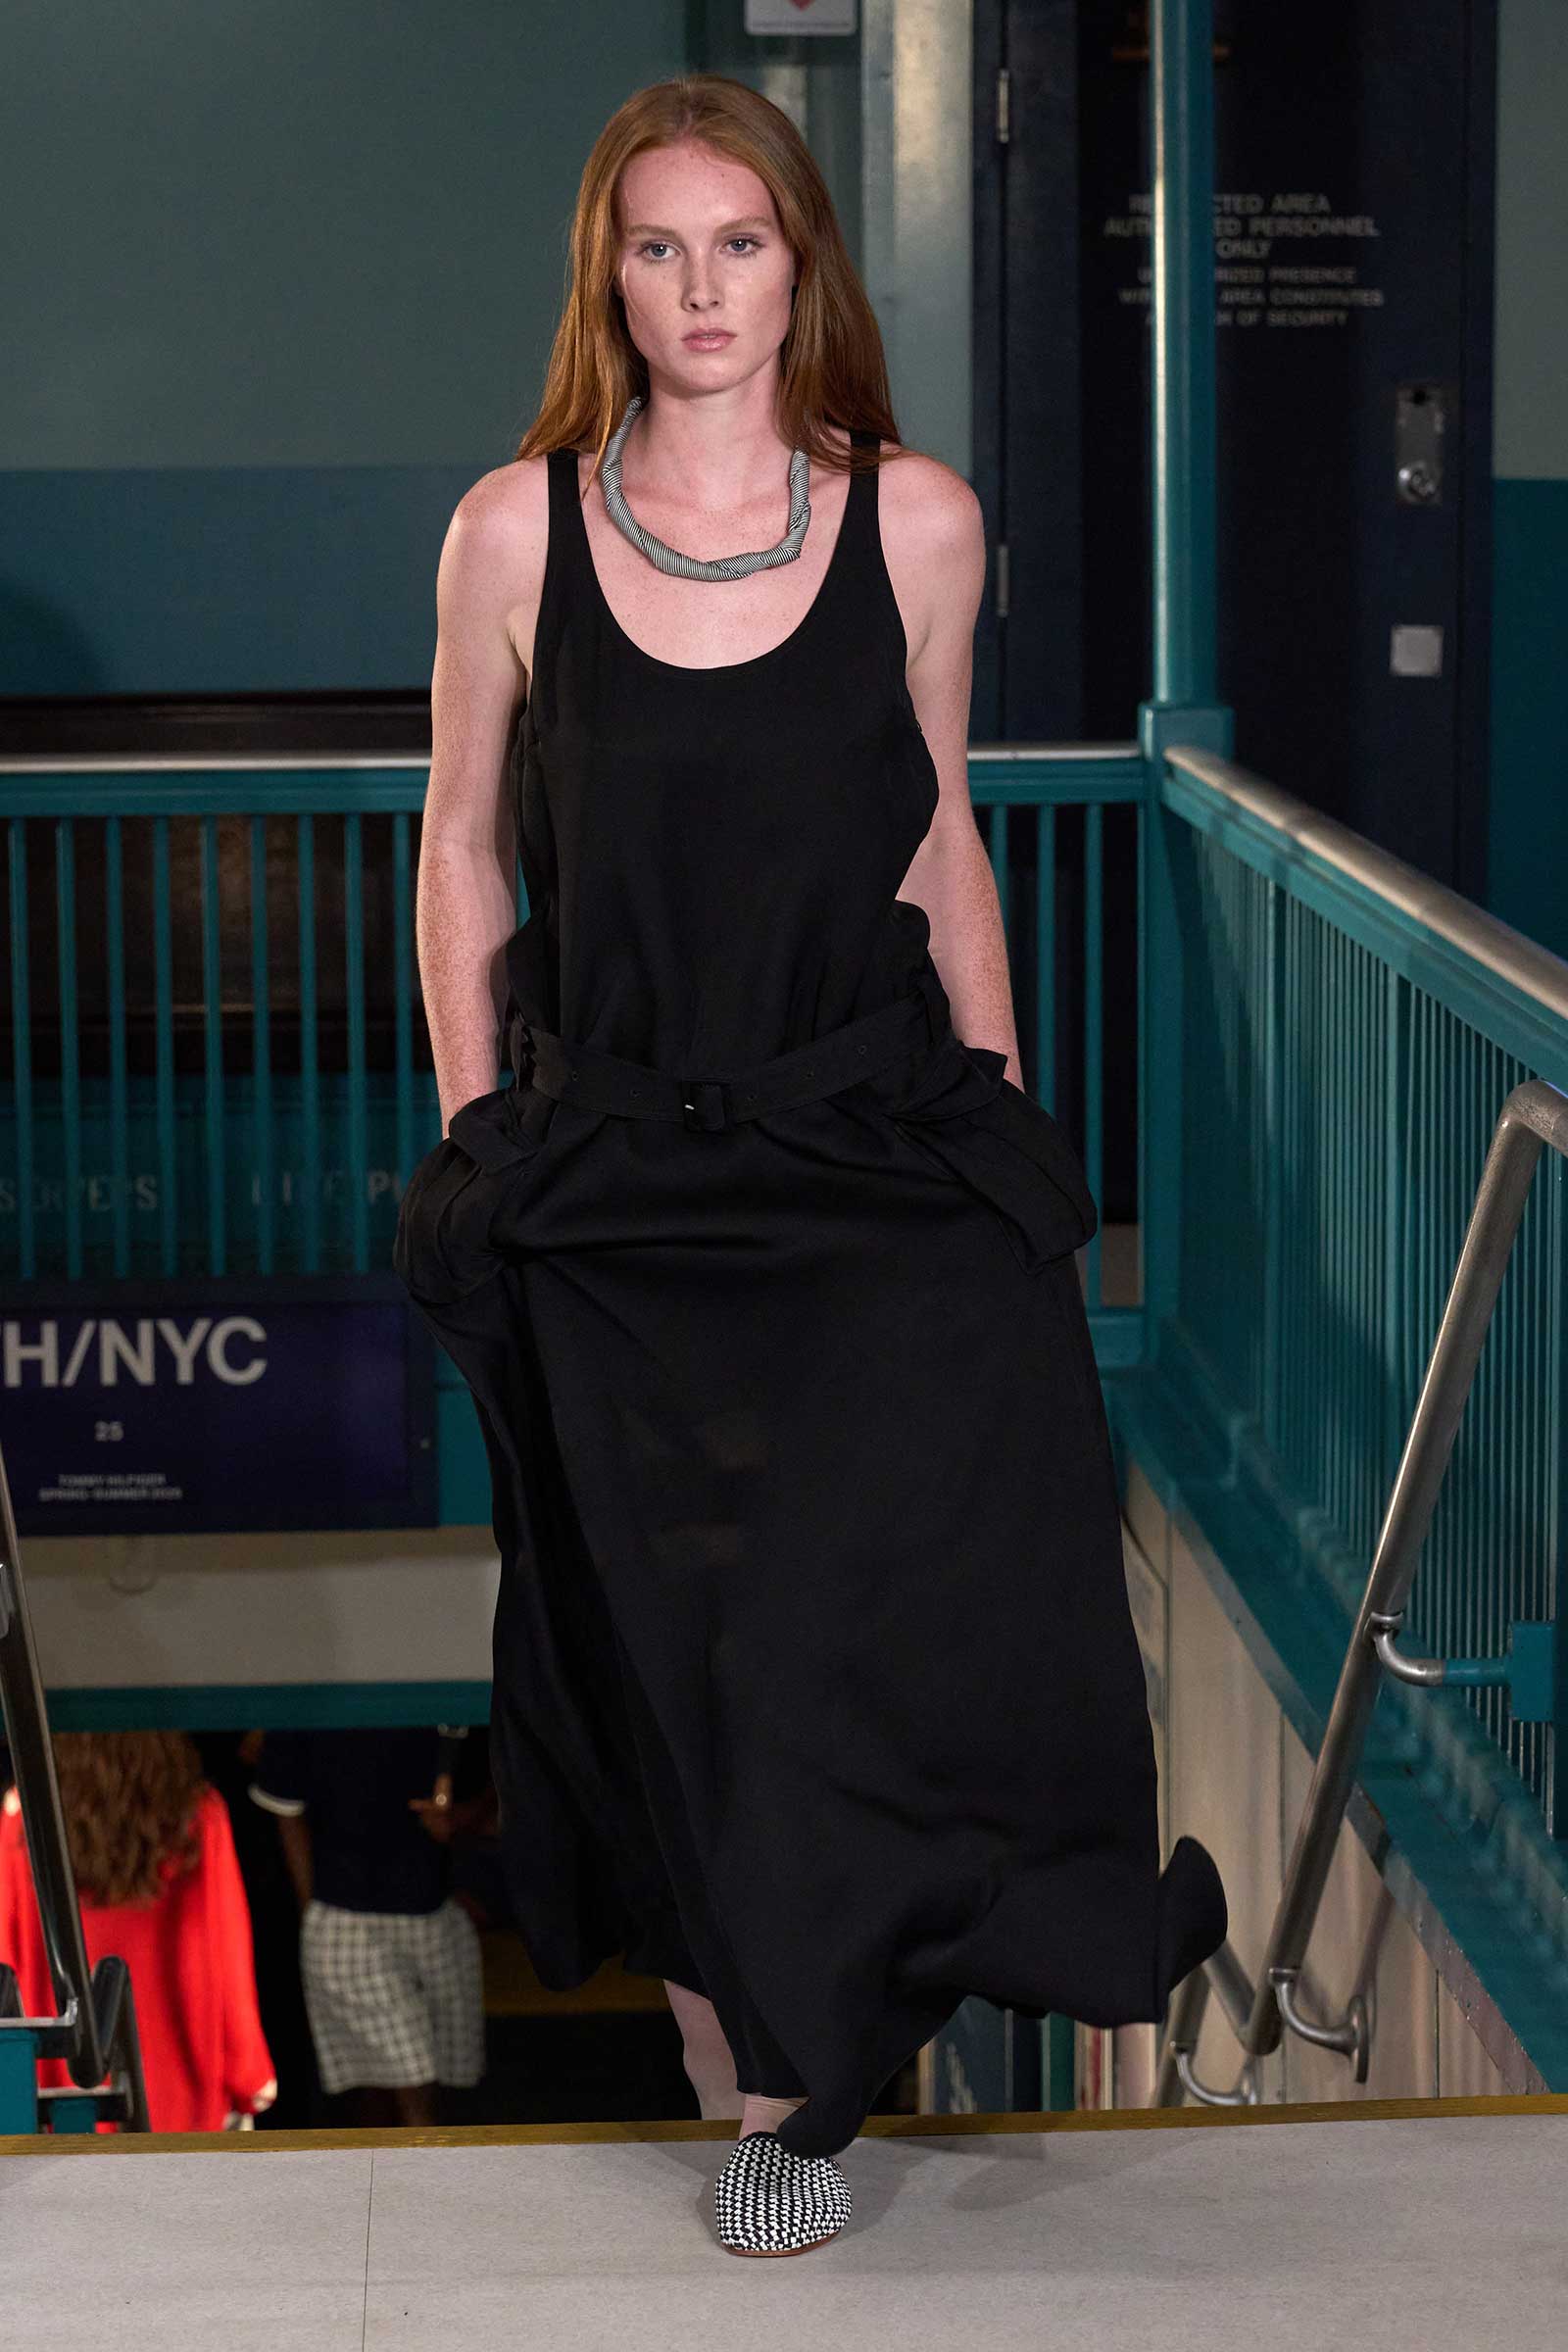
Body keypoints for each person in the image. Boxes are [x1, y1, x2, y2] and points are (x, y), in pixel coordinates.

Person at [392, 73, 1228, 2255]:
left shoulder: (918, 526)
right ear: (609, 277)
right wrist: (477, 1132)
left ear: (801, 267)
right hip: (614, 1193)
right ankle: (743, 2060)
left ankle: (811, 2069)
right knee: (655, 1651)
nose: (701, 289)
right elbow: (463, 847)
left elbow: (935, 837)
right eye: (657, 248)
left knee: (861, 1622)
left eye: (739, 244)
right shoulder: (512, 534)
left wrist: (1006, 1127)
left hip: (859, 1160)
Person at [0, 1730, 276, 2133]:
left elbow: (8, 1955)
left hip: (63, 2095)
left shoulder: (24, 1816)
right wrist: (248, 2072)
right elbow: (227, 1952)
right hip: (183, 2087)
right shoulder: (199, 1813)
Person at [247, 1724, 489, 2128]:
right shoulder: (307, 1707)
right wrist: (315, 1913)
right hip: (348, 1918)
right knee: (411, 2089)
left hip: (437, 1912)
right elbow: (285, 1811)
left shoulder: (446, 1693)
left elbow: (504, 1770)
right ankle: (417, 2168)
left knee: (434, 2083)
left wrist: (464, 1819)